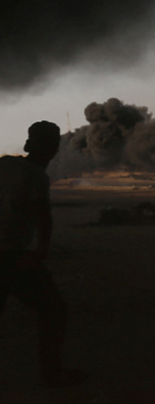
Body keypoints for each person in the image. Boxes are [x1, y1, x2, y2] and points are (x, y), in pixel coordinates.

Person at [1, 121, 86, 388]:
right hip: (13, 258)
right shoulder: (37, 176)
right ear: (53, 149)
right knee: (54, 311)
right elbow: (43, 217)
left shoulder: (5, 164)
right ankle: (51, 374)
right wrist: (40, 252)